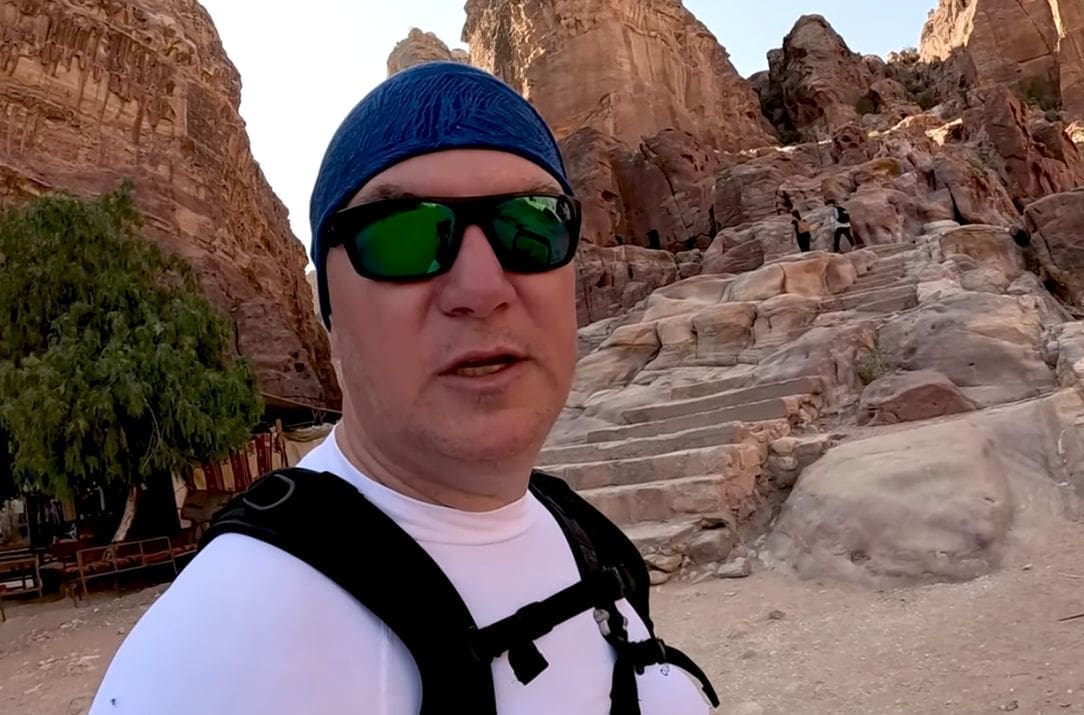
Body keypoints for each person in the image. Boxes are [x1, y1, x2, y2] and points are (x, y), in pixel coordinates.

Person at [91, 63, 715, 714]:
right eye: (404, 236)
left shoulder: (586, 534)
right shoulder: (223, 654)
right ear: (328, 314)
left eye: (530, 226)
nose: (482, 289)